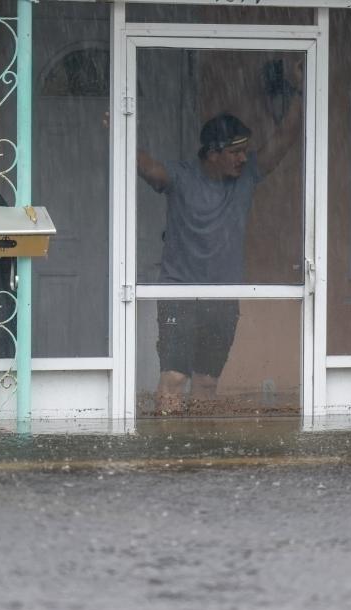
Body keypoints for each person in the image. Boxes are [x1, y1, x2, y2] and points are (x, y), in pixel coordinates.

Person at [136, 60, 303, 414]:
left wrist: (301, 90)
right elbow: (151, 170)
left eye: (245, 151)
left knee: (208, 383)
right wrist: (120, 133)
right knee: (175, 378)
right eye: (236, 152)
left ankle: (199, 453)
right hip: (179, 294)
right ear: (213, 153)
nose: (244, 158)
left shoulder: (246, 177)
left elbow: (286, 137)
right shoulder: (182, 178)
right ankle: (168, 449)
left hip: (224, 296)